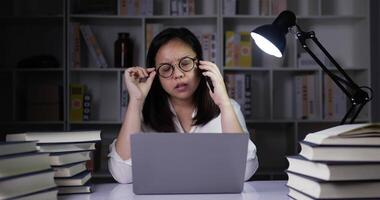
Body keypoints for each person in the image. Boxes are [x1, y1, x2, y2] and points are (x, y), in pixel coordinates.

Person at [108, 27, 258, 183]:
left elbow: (245, 171)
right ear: (156, 75)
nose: (178, 74)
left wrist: (224, 102)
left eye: (185, 63)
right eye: (166, 69)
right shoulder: (143, 115)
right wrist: (136, 101)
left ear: (200, 65)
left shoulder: (227, 108)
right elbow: (123, 175)